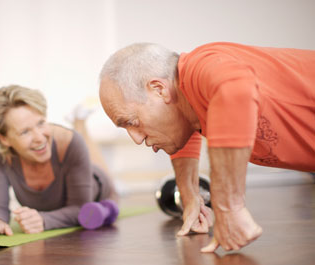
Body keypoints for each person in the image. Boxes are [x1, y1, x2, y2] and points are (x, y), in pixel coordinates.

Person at [98, 42, 315, 252]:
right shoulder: (190, 100)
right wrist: (190, 195)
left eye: (131, 122)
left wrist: (228, 208)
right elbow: (187, 123)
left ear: (159, 89)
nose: (136, 139)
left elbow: (236, 90)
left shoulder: (203, 66)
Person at [0, 85, 117, 239]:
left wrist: (43, 219)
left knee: (85, 148)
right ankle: (78, 121)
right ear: (3, 138)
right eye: (25, 132)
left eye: (41, 123)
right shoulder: (0, 153)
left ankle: (80, 122)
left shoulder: (69, 142)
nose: (39, 137)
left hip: (98, 186)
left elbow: (79, 208)